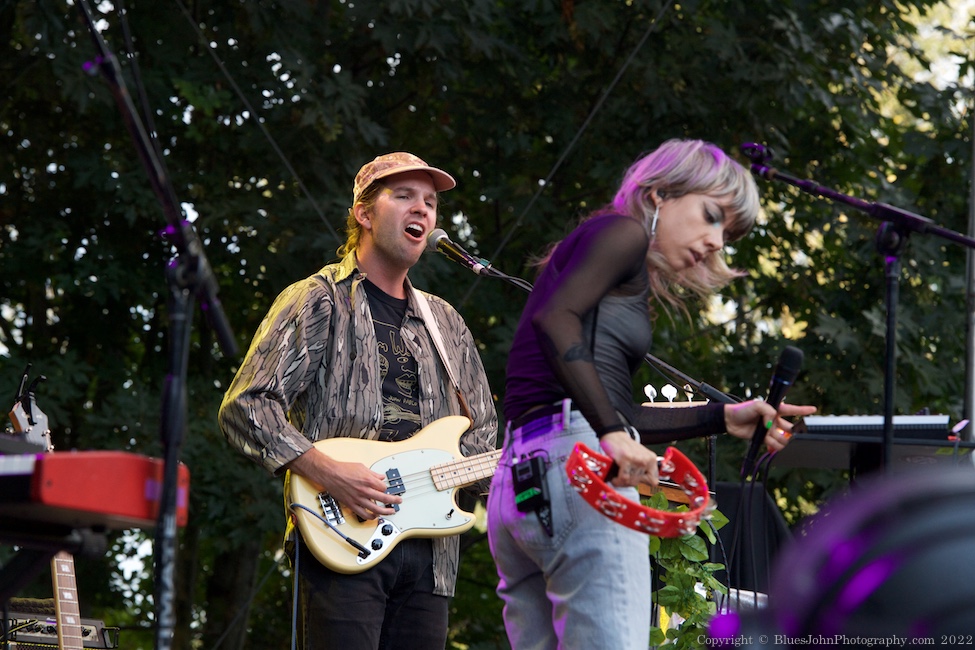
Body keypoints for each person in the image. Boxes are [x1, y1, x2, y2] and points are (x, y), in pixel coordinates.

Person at [485, 139, 817, 650]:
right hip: (578, 471)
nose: (715, 242)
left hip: (523, 475)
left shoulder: (609, 253)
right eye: (711, 216)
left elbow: (613, 411)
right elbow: (559, 323)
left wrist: (722, 416)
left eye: (726, 234)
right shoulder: (623, 232)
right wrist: (613, 435)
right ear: (661, 192)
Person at [218, 152, 498, 650]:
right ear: (364, 214)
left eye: (431, 203)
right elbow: (247, 405)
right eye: (405, 196)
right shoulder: (319, 298)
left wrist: (532, 464)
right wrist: (328, 472)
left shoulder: (447, 322)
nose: (424, 211)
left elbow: (481, 441)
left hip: (433, 556)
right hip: (339, 540)